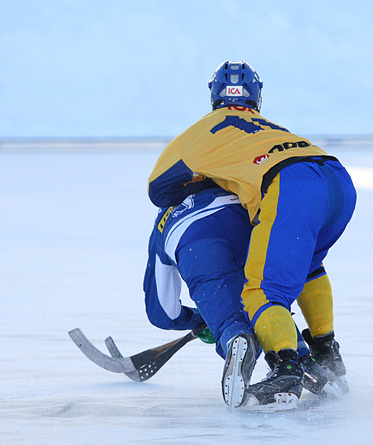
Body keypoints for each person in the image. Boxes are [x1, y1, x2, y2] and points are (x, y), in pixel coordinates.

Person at [147, 61, 356, 407]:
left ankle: (286, 366)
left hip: (289, 186)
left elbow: (158, 188)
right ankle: (325, 353)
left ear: (214, 96)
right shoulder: (267, 126)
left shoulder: (202, 130)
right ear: (256, 98)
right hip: (335, 177)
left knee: (261, 291)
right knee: (307, 267)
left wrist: (207, 174)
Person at [143, 183, 339, 408]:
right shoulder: (224, 180)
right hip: (243, 225)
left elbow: (163, 312)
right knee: (263, 301)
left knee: (230, 320)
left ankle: (236, 337)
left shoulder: (162, 224)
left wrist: (199, 318)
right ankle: (303, 359)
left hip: (192, 244)